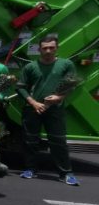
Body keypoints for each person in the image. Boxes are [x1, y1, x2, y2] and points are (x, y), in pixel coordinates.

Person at [16, 36, 80, 186]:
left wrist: (59, 97)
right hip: (33, 110)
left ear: (57, 48)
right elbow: (20, 87)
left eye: (51, 47)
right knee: (30, 140)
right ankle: (30, 169)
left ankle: (66, 173)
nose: (48, 51)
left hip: (55, 110)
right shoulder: (31, 67)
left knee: (58, 142)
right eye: (45, 48)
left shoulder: (66, 64)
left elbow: (71, 85)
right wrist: (34, 103)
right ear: (39, 49)